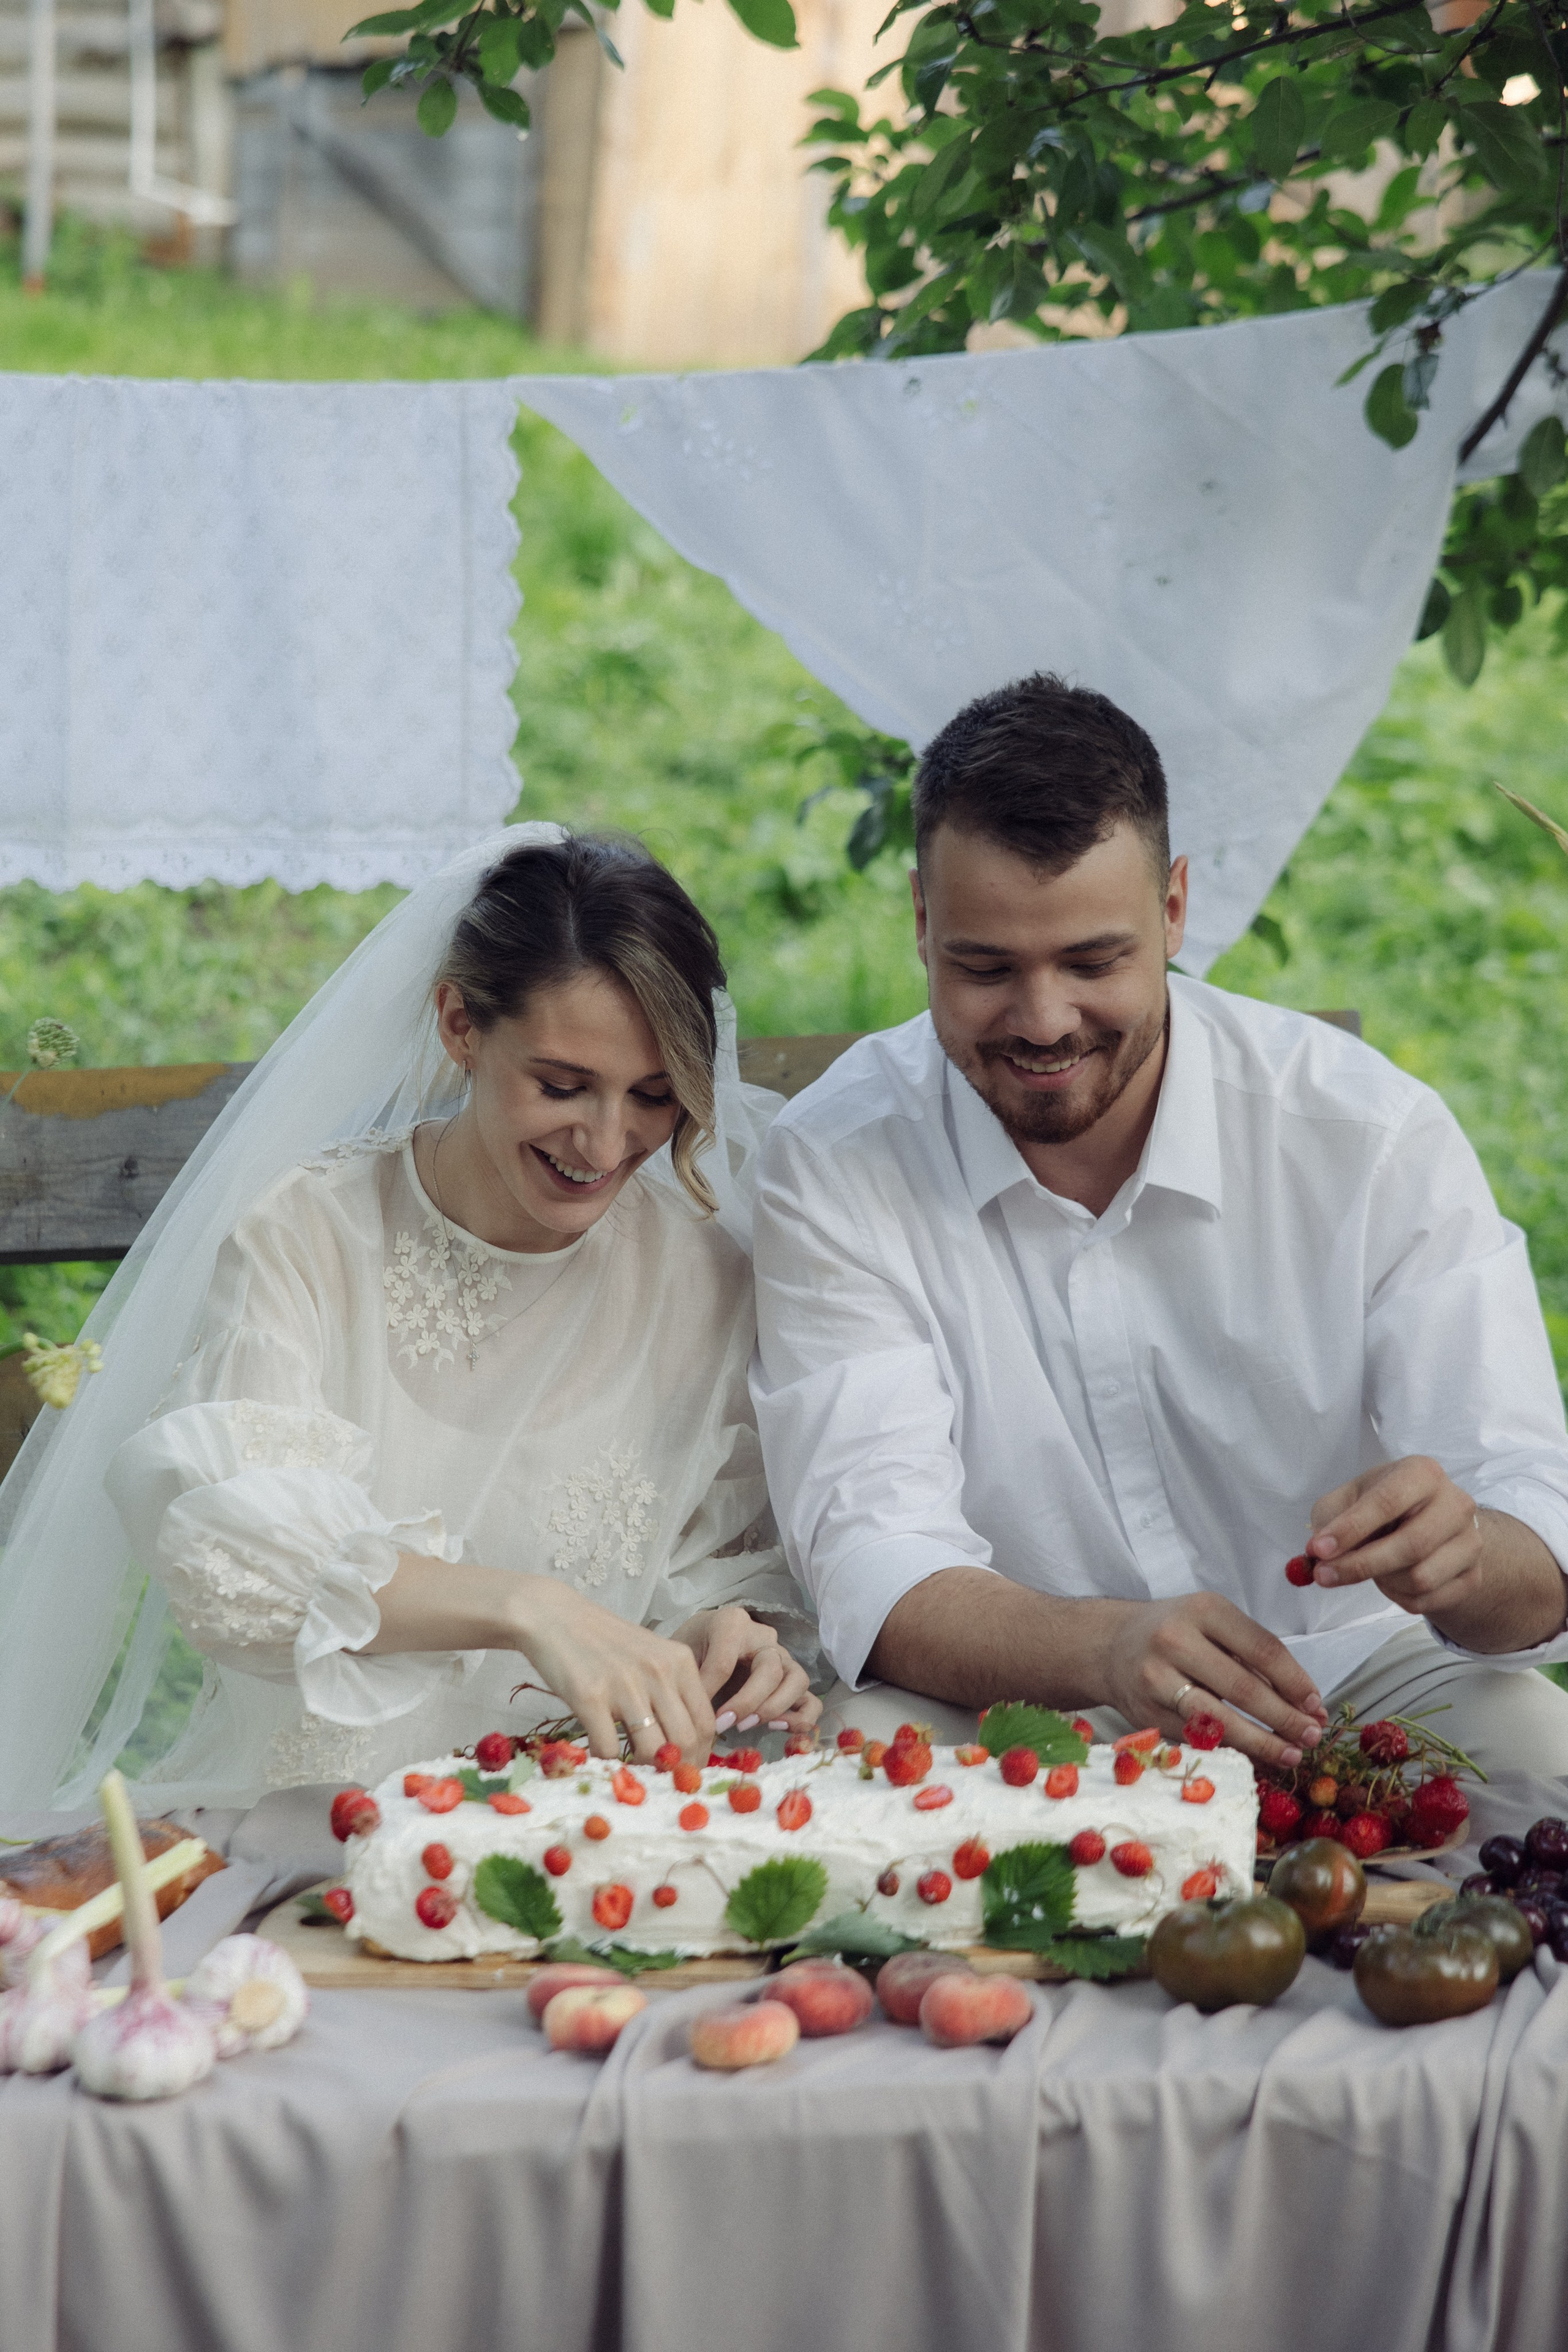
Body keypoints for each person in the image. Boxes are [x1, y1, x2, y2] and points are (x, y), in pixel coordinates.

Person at [750, 674, 1568, 1776]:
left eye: (1094, 963)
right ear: (920, 920)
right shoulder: (833, 1159)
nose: (1044, 1022)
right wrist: (1108, 1648)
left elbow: (1537, 1535)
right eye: (985, 968)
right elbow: (877, 1568)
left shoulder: (1368, 1134)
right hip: (1020, 1698)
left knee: (1536, 1752)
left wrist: (1465, 1556)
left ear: (1175, 908)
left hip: (1352, 1675)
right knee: (861, 1758)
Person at [0, 826, 817, 1812]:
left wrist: (712, 1638)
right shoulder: (308, 1236)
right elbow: (234, 1563)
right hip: (312, 1834)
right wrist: (527, 1607)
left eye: (652, 1097)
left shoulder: (702, 1276)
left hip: (580, 1838)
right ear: (461, 1025)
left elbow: (708, 1564)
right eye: (561, 1086)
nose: (607, 1143)